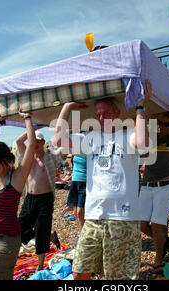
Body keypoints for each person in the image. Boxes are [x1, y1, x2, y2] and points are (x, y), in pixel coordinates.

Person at [52, 81, 152, 280]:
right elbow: (58, 141)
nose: (100, 117)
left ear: (116, 112)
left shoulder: (129, 134)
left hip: (122, 217)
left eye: (105, 113)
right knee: (80, 270)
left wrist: (140, 106)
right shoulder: (90, 137)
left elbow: (143, 143)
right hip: (94, 215)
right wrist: (67, 107)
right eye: (97, 114)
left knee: (118, 276)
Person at [0, 109, 36, 280]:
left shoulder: (17, 176)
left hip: (7, 240)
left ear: (4, 159)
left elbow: (31, 144)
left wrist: (27, 118)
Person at [140, 111, 169, 274]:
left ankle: (158, 258)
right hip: (146, 185)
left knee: (157, 225)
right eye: (160, 124)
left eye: (166, 124)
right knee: (141, 224)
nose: (162, 127)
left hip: (165, 187)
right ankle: (163, 241)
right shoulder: (153, 139)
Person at [16, 130, 63, 272]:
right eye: (33, 140)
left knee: (41, 229)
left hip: (45, 199)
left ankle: (40, 265)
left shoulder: (50, 157)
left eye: (37, 140)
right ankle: (49, 236)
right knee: (18, 229)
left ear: (43, 142)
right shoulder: (27, 156)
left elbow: (63, 147)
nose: (35, 143)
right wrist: (30, 128)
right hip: (29, 198)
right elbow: (19, 142)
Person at [63, 154, 87, 234]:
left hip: (85, 182)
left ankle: (84, 235)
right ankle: (82, 234)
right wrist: (68, 178)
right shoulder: (74, 153)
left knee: (80, 212)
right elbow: (74, 169)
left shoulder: (90, 151)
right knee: (76, 213)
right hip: (75, 182)